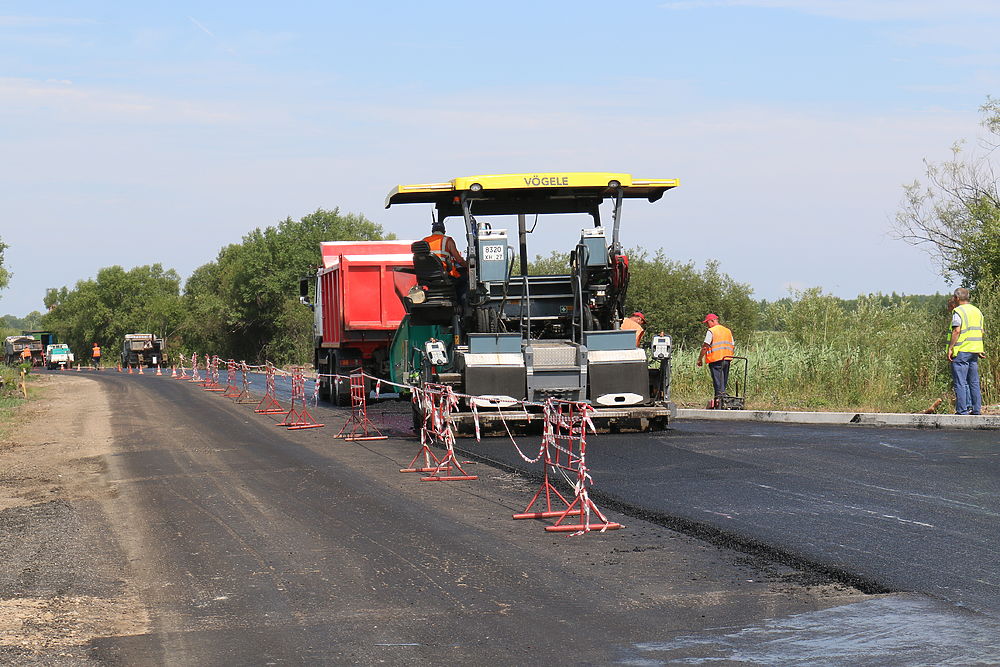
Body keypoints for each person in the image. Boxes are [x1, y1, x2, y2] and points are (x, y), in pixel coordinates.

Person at [948, 288, 985, 415]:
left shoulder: (958, 311)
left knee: (960, 382)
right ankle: (976, 409)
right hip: (975, 350)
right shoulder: (977, 311)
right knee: (974, 382)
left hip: (962, 350)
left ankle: (962, 410)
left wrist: (951, 348)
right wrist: (979, 348)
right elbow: (981, 331)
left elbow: (956, 331)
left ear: (957, 298)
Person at [422, 220, 468, 302]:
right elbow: (459, 260)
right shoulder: (447, 240)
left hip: (427, 277)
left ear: (432, 231)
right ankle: (461, 303)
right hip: (444, 276)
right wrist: (468, 266)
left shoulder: (424, 241)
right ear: (444, 231)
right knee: (464, 279)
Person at [697, 313, 735, 408]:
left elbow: (705, 346)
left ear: (713, 321)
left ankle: (721, 401)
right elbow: (732, 344)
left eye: (707, 323)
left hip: (716, 359)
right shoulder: (727, 331)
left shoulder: (711, 331)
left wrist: (700, 359)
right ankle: (721, 401)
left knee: (718, 382)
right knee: (723, 382)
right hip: (727, 359)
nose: (707, 325)